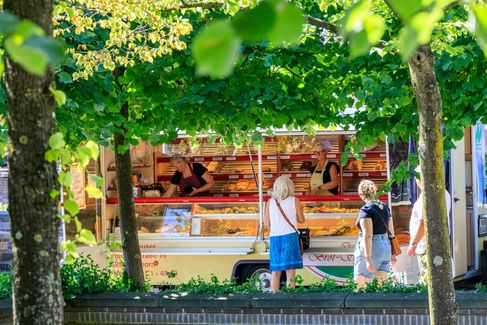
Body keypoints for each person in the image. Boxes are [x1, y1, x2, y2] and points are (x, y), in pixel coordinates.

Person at [407, 165, 451, 282]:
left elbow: (424, 223)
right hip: (439, 242)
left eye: (416, 177)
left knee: (428, 281)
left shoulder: (427, 196)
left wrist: (413, 243)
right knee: (440, 280)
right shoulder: (443, 192)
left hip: (426, 245)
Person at [264, 176, 305, 293]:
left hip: (275, 238)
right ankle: (290, 297)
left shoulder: (270, 201)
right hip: (290, 237)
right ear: (290, 186)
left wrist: (276, 229)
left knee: (276, 271)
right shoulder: (294, 200)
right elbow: (301, 220)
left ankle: (274, 297)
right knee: (290, 271)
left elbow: (266, 223)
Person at [354, 180, 396, 289]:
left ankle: (360, 306)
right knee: (381, 284)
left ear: (361, 195)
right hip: (385, 247)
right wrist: (393, 253)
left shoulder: (366, 209)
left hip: (373, 248)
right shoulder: (385, 207)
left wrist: (367, 258)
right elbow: (391, 232)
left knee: (361, 282)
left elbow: (368, 235)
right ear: (374, 192)